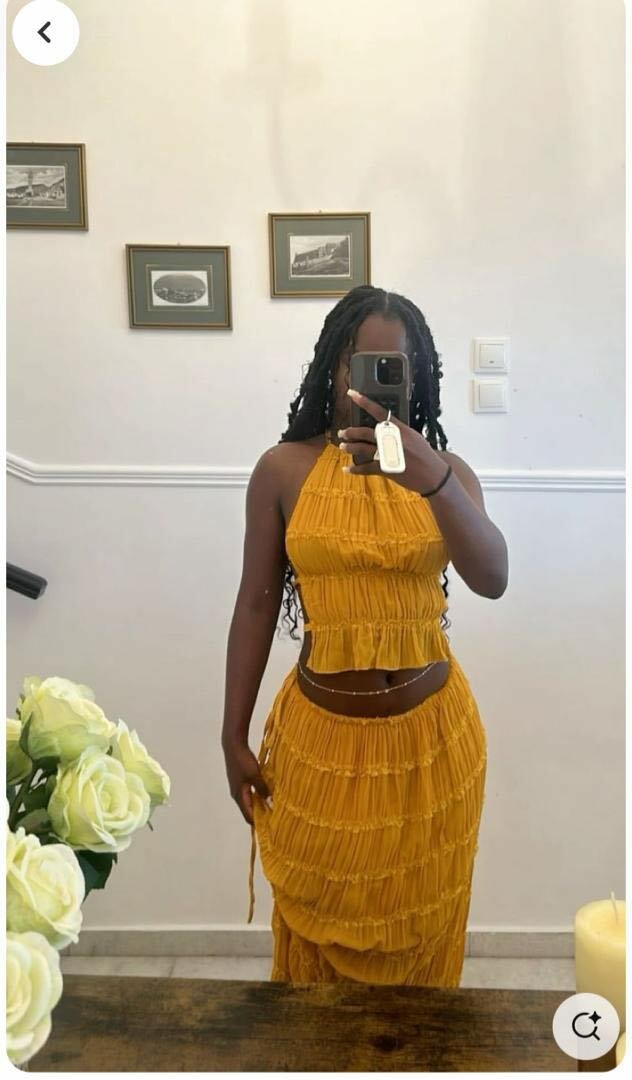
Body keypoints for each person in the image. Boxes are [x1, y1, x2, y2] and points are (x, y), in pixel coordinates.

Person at [222, 285, 508, 986]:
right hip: (317, 748)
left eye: (393, 367)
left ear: (417, 378)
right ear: (333, 367)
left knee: (423, 949)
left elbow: (493, 576)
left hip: (431, 749)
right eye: (360, 362)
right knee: (314, 966)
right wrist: (231, 734)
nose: (373, 383)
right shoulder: (283, 469)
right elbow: (256, 603)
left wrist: (432, 478)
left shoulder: (449, 474)